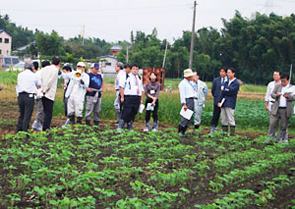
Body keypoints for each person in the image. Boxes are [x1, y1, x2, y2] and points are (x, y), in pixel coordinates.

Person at [268, 73, 295, 143]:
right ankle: (270, 138)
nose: (283, 83)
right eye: (282, 81)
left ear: (288, 80)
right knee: (272, 123)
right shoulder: (277, 86)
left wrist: (289, 97)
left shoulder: (292, 88)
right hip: (276, 108)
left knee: (283, 125)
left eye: (284, 81)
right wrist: (276, 95)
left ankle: (281, 139)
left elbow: (294, 97)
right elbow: (272, 94)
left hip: (285, 109)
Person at [16, 60, 41, 132]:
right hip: (29, 96)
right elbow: (39, 84)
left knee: (21, 113)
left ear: (24, 67)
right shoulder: (34, 76)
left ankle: (19, 128)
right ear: (32, 68)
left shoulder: (20, 75)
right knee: (27, 114)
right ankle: (25, 129)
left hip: (20, 95)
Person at [118, 63, 143, 132]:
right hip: (128, 97)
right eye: (134, 69)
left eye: (137, 69)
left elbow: (141, 89)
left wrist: (141, 99)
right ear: (131, 69)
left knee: (134, 112)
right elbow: (121, 87)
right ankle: (120, 126)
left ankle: (129, 126)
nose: (135, 70)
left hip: (137, 97)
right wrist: (122, 97)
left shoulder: (139, 78)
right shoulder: (126, 76)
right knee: (126, 112)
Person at [40, 56, 61, 131]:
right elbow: (50, 81)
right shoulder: (55, 70)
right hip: (49, 93)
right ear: (59, 63)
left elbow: (41, 78)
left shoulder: (45, 68)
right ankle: (46, 129)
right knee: (48, 113)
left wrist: (42, 89)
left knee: (45, 111)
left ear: (52, 61)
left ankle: (44, 127)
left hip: (42, 92)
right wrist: (45, 90)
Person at [217, 67, 240, 136]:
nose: (228, 74)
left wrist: (225, 90)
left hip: (230, 103)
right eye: (227, 73)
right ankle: (224, 133)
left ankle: (232, 134)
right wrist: (219, 101)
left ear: (233, 73)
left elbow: (231, 91)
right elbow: (222, 92)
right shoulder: (226, 82)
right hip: (223, 102)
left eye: (229, 72)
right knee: (223, 118)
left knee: (230, 118)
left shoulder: (236, 83)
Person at [32, 60, 51, 131]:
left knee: (41, 110)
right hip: (40, 94)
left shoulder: (38, 72)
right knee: (41, 110)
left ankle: (38, 123)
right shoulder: (43, 73)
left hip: (38, 93)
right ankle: (37, 123)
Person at [178, 69, 196, 137]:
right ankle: (181, 131)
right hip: (187, 100)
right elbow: (182, 95)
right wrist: (184, 104)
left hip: (191, 100)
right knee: (185, 116)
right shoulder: (182, 83)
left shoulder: (190, 83)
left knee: (189, 117)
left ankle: (184, 131)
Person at [210, 67, 227, 133]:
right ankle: (213, 128)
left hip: (225, 101)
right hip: (217, 100)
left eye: (223, 72)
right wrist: (217, 98)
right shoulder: (216, 80)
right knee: (215, 115)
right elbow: (213, 91)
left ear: (226, 73)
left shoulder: (228, 80)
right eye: (220, 72)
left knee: (224, 115)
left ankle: (224, 129)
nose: (221, 73)